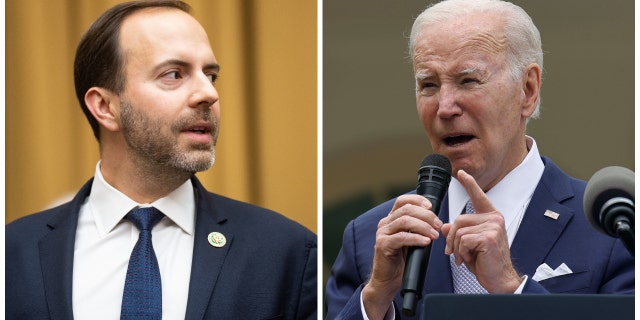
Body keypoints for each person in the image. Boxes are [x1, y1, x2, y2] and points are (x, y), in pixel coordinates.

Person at [5, 1, 317, 319]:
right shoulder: (12, 256)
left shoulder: (288, 253)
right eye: (173, 74)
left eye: (211, 75)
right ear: (104, 106)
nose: (208, 94)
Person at [324, 0, 634, 319]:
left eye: (468, 81)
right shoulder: (367, 237)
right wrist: (375, 298)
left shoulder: (615, 230)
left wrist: (513, 288)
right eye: (428, 85)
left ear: (527, 91)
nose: (445, 107)